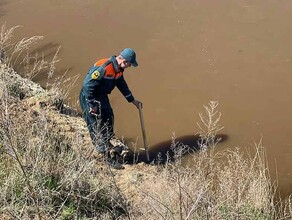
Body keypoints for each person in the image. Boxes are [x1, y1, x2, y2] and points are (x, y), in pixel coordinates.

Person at [79, 48, 142, 168]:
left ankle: (107, 144)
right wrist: (92, 105)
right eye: (129, 64)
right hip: (90, 97)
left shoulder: (118, 70)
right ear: (124, 61)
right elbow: (87, 86)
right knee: (97, 126)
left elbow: (122, 85)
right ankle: (105, 157)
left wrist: (132, 100)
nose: (129, 66)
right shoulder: (103, 68)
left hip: (101, 96)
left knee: (108, 118)